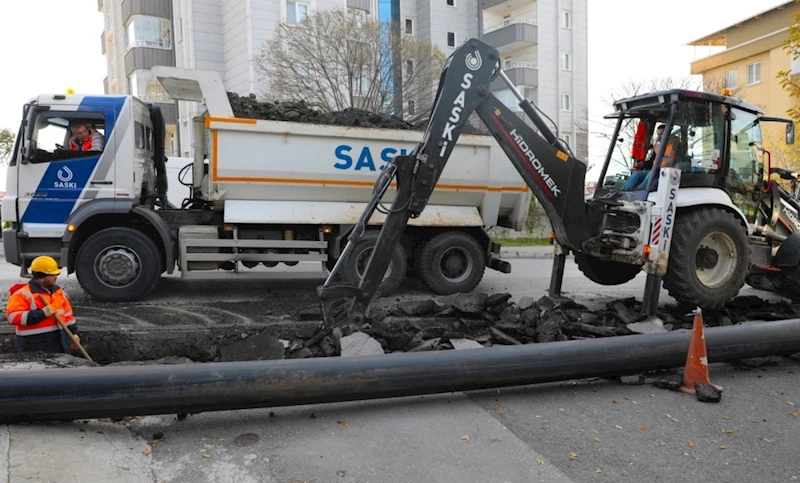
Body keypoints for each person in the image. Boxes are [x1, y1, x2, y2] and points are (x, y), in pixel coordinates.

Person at [6, 256, 79, 354]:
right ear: (40, 278)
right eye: (52, 275)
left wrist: (74, 334)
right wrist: (43, 313)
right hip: (33, 347)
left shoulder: (59, 293)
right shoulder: (22, 294)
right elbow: (13, 317)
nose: (56, 277)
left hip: (59, 345)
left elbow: (68, 316)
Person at [623, 124, 665, 190]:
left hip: (666, 171)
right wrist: (642, 164)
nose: (659, 137)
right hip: (655, 169)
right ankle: (625, 191)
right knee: (636, 174)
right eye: (658, 134)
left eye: (661, 134)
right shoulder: (658, 147)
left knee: (651, 173)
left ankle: (639, 192)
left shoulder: (673, 144)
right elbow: (652, 161)